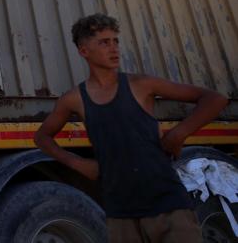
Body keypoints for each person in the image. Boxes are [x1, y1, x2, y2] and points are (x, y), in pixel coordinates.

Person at [34, 14, 228, 243]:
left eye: (115, 41)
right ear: (84, 51)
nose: (114, 48)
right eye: (104, 42)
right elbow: (43, 137)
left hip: (168, 205)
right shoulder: (74, 99)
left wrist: (179, 132)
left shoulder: (141, 85)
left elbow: (214, 98)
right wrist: (78, 163)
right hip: (121, 213)